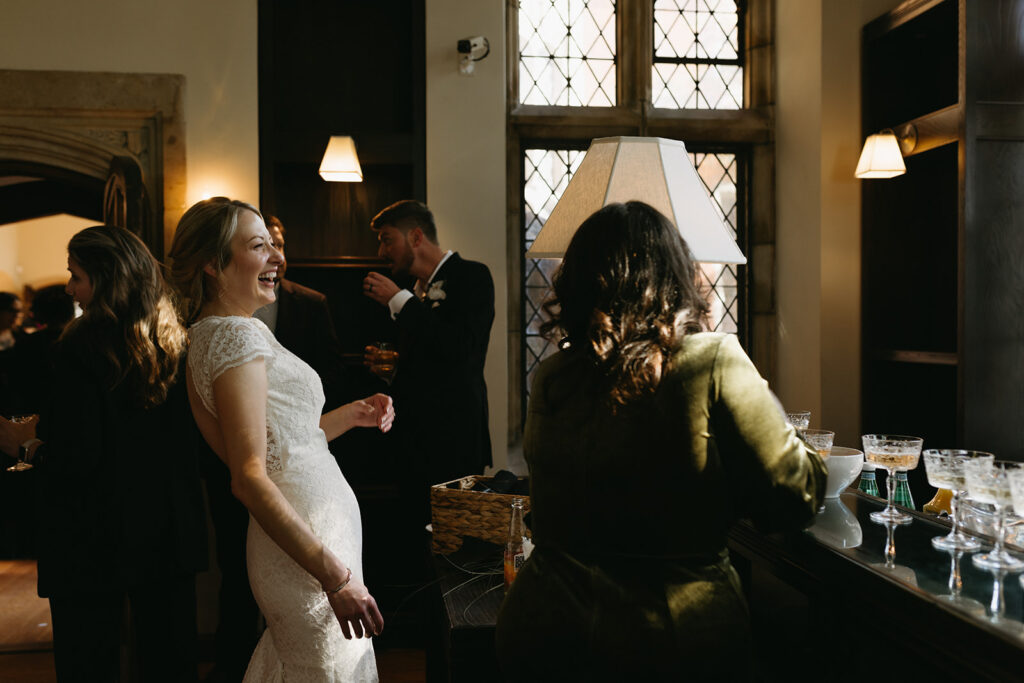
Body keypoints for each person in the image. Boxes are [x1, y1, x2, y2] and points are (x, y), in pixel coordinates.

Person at [495, 202, 826, 682]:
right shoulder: (712, 358)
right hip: (671, 636)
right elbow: (796, 495)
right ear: (676, 277)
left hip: (545, 630)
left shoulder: (552, 375)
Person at [168, 197, 392, 681]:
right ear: (212, 263)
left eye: (274, 245)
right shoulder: (236, 338)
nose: (276, 257)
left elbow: (284, 445)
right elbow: (249, 477)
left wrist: (352, 414)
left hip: (311, 542)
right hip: (309, 558)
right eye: (257, 246)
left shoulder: (221, 333)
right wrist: (334, 577)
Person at [0, 225, 207, 681]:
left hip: (91, 534)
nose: (71, 288)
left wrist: (26, 445)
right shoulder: (177, 340)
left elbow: (77, 459)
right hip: (167, 527)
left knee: (88, 662)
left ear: (107, 278)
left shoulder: (83, 346)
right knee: (168, 662)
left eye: (77, 276)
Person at [362, 199, 494, 494]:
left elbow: (462, 350)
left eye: (387, 240)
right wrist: (396, 366)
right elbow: (432, 357)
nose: (381, 252)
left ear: (416, 237)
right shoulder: (414, 291)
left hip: (453, 442)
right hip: (411, 443)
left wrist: (401, 302)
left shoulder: (473, 277)